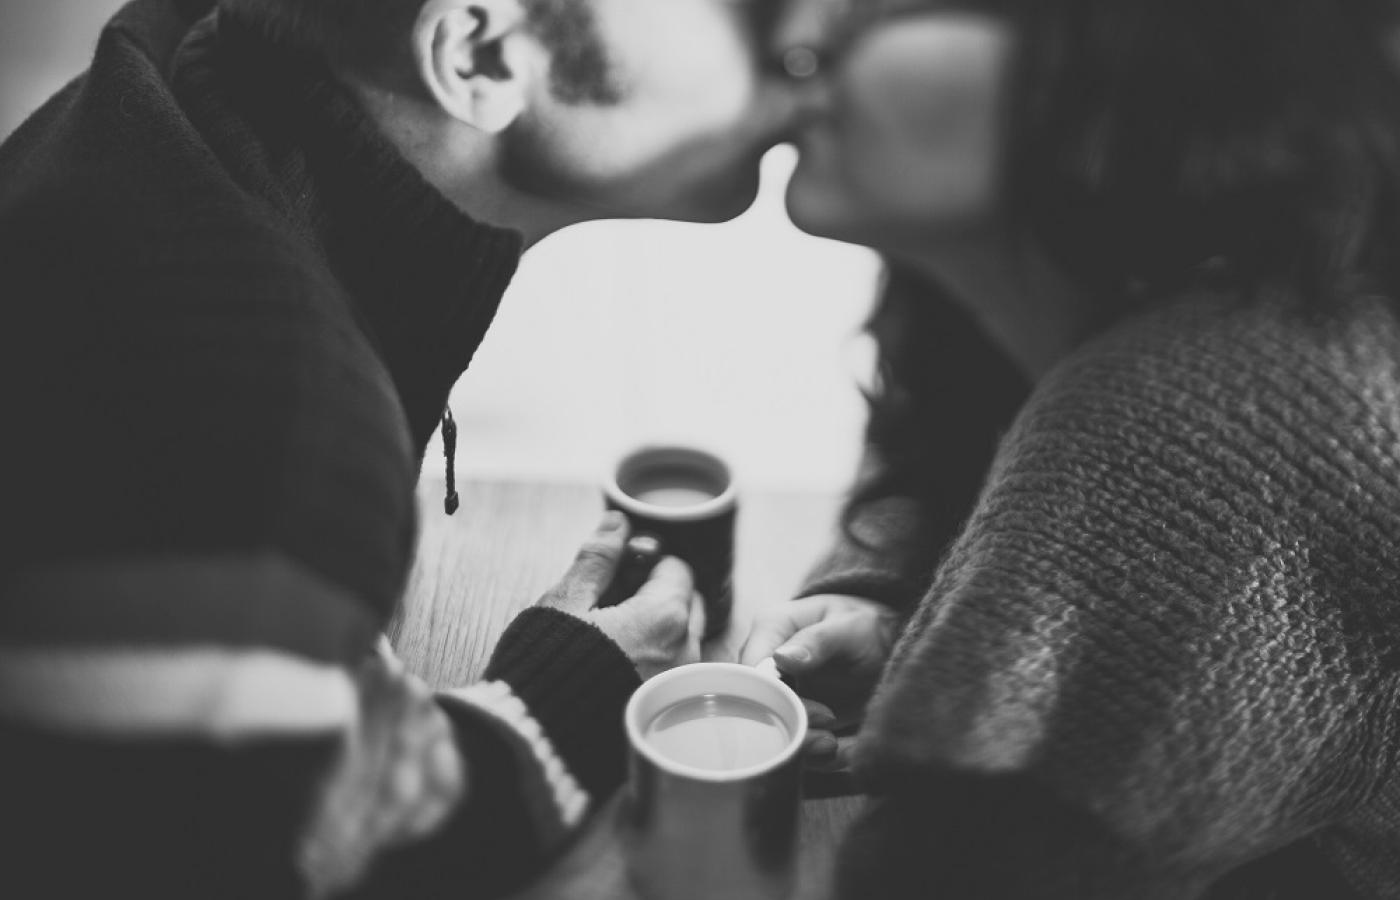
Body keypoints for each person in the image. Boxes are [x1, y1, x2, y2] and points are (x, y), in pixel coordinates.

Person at [0, 0, 804, 897]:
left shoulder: (164, 86)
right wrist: (558, 704)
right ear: (479, 52)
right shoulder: (272, 421)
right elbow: (234, 857)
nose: (807, 25)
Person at [743, 0, 1400, 896]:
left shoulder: (1202, 416)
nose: (800, 38)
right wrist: (895, 595)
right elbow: (934, 444)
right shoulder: (1056, 291)